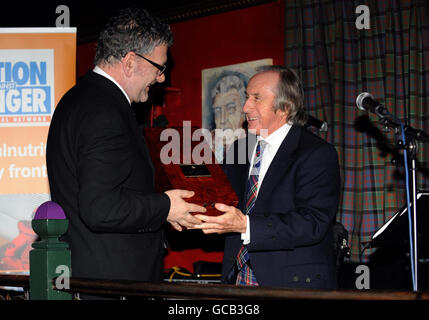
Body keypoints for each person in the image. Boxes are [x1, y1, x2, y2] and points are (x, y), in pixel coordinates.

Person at [46, 7, 206, 286]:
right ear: (130, 62)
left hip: (93, 276)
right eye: (158, 68)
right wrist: (166, 206)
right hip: (114, 283)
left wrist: (163, 211)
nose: (161, 79)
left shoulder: (77, 99)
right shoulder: (105, 111)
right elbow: (100, 209)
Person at [194, 65, 341, 288]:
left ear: (284, 107)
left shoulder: (316, 153)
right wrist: (187, 208)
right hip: (237, 278)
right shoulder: (239, 149)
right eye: (246, 97)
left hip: (291, 285)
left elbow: (313, 223)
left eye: (256, 98)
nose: (245, 107)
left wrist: (246, 226)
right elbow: (221, 201)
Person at [210, 74, 247, 162]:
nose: (222, 120)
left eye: (230, 109)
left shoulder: (256, 148)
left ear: (244, 113)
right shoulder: (205, 147)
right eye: (218, 111)